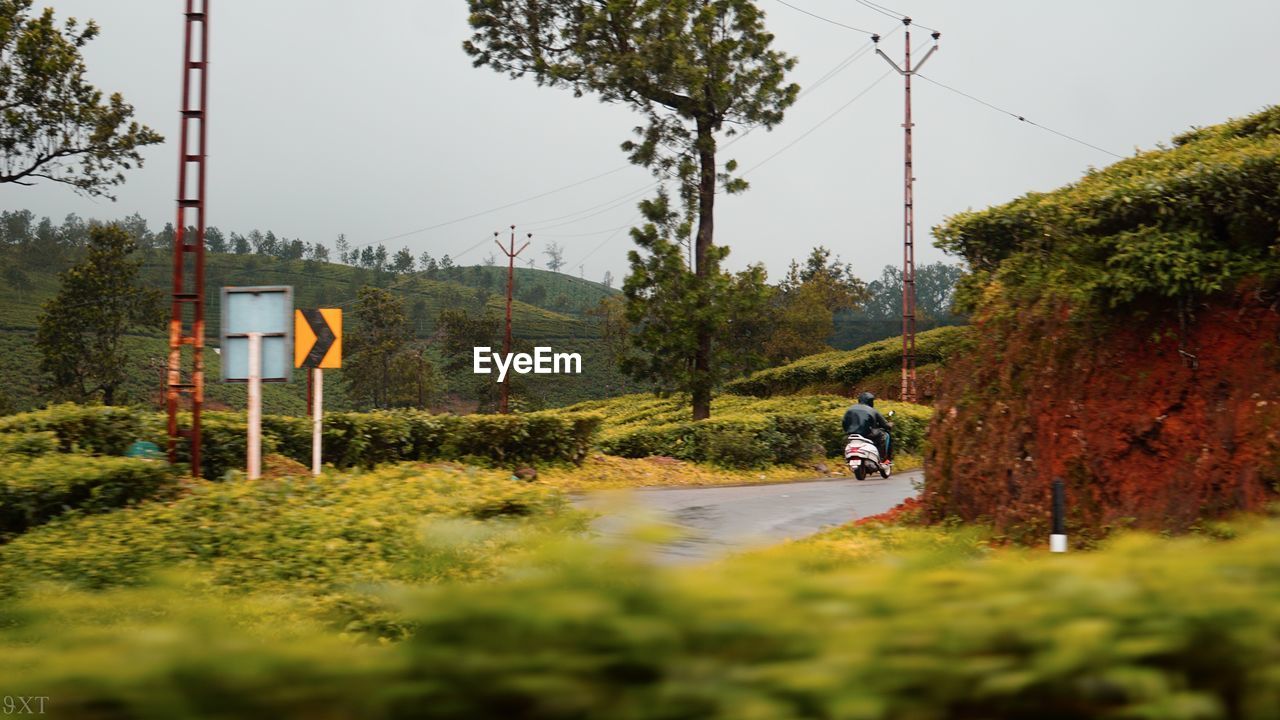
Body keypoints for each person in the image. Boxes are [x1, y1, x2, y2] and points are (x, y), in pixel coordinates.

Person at [842, 391, 893, 464]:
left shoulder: (850, 408)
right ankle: (882, 459)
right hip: (867, 434)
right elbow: (884, 424)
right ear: (870, 401)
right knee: (884, 435)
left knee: (844, 441)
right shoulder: (872, 410)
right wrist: (890, 425)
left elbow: (844, 423)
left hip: (851, 434)